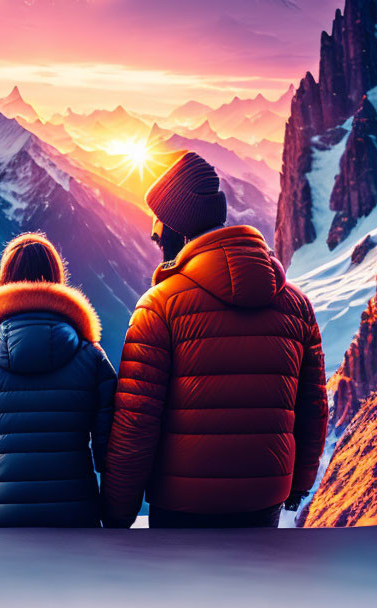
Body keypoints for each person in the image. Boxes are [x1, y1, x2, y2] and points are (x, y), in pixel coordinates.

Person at [102, 152, 328, 529]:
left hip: (181, 509)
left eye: (158, 222)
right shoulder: (297, 306)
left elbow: (135, 423)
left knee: (183, 591)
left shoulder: (159, 307)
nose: (154, 234)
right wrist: (299, 485)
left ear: (178, 227)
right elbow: (313, 407)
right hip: (263, 500)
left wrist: (117, 513)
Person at [0, 232, 117, 530]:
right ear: (57, 281)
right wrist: (114, 522)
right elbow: (113, 458)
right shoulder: (92, 360)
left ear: (3, 282)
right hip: (76, 526)